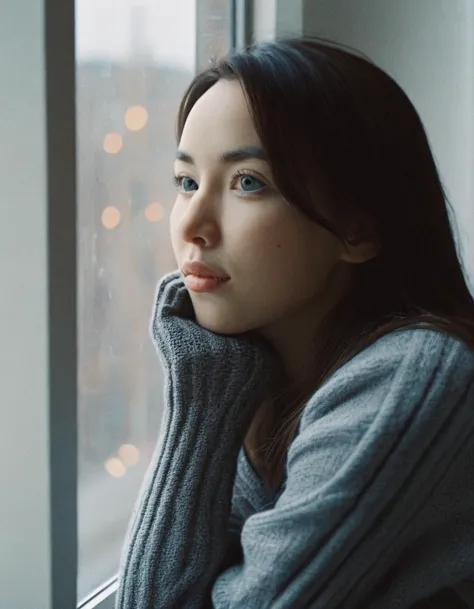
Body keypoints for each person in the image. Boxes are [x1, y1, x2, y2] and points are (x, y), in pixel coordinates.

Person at [115, 37, 474, 609]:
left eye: (248, 182)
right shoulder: (249, 374)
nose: (193, 226)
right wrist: (203, 398)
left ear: (356, 228)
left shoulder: (414, 372)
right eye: (186, 182)